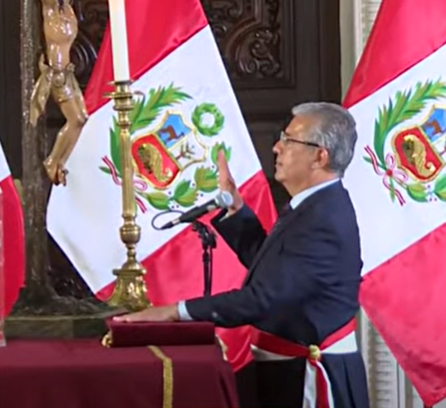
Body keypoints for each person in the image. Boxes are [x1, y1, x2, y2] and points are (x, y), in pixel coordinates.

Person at [116, 102, 370, 408]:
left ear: (320, 156)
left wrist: (174, 312)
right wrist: (236, 211)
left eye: (289, 140)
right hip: (285, 371)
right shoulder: (313, 206)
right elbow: (274, 272)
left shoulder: (323, 218)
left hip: (307, 381)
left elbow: (264, 298)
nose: (277, 147)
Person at [29, 0, 88, 186]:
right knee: (75, 119)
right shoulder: (50, 11)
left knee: (82, 118)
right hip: (56, 75)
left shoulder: (68, 10)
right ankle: (53, 161)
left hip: (68, 73)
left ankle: (60, 162)